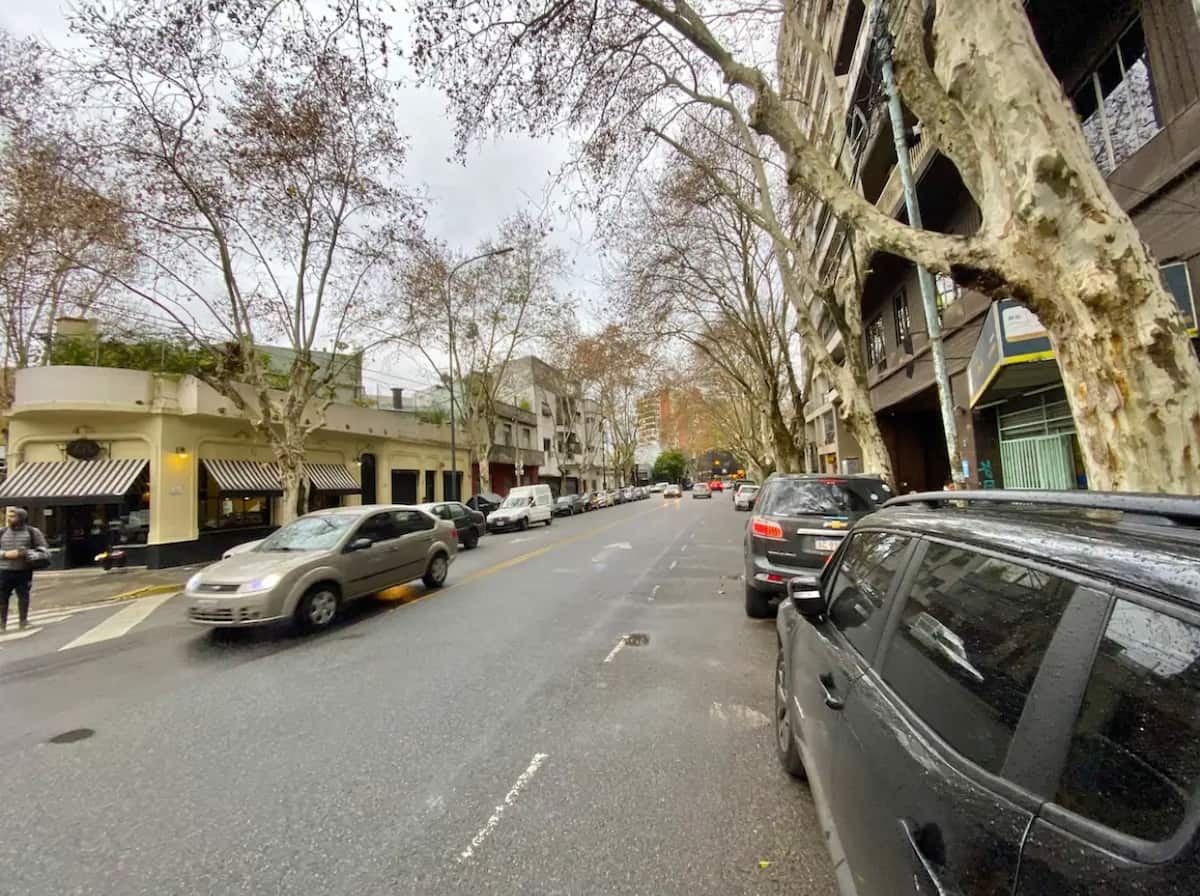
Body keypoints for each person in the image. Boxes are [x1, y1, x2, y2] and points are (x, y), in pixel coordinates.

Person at [0, 507, 49, 633]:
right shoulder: (2, 532)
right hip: (4, 570)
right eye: (9, 516)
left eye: (13, 516)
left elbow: (44, 550)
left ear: (21, 517)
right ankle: (1, 624)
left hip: (24, 570)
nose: (9, 519)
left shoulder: (32, 532)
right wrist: (5, 554)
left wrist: (30, 554)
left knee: (23, 596)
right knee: (2, 597)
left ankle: (23, 621)